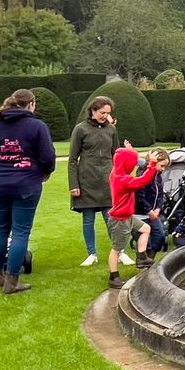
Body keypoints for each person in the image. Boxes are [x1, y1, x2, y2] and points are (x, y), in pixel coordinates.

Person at [0, 89, 57, 294]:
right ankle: (12, 280)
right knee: (21, 231)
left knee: (0, 229)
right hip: (26, 183)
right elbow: (47, 156)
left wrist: (0, 172)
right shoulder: (37, 126)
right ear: (31, 104)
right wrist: (45, 172)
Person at [69, 96, 135, 267]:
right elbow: (72, 160)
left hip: (108, 182)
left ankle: (120, 252)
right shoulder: (80, 129)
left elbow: (117, 156)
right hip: (86, 181)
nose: (105, 116)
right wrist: (74, 185)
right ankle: (92, 253)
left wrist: (122, 180)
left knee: (112, 219)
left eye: (108, 113)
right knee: (88, 219)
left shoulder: (111, 130)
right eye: (102, 112)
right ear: (93, 110)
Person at [107, 147, 162, 289]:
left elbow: (123, 160)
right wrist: (152, 165)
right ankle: (114, 278)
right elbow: (143, 181)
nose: (135, 165)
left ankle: (142, 257)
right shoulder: (122, 179)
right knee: (116, 250)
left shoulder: (116, 173)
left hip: (127, 216)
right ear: (126, 164)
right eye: (133, 163)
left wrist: (129, 152)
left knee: (146, 228)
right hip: (120, 219)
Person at [135, 147, 172, 259]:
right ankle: (143, 261)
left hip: (154, 213)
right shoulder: (142, 174)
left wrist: (158, 208)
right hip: (140, 214)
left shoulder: (158, 176)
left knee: (160, 236)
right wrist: (149, 211)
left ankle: (150, 259)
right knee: (144, 240)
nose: (163, 169)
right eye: (162, 166)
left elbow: (160, 194)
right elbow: (139, 195)